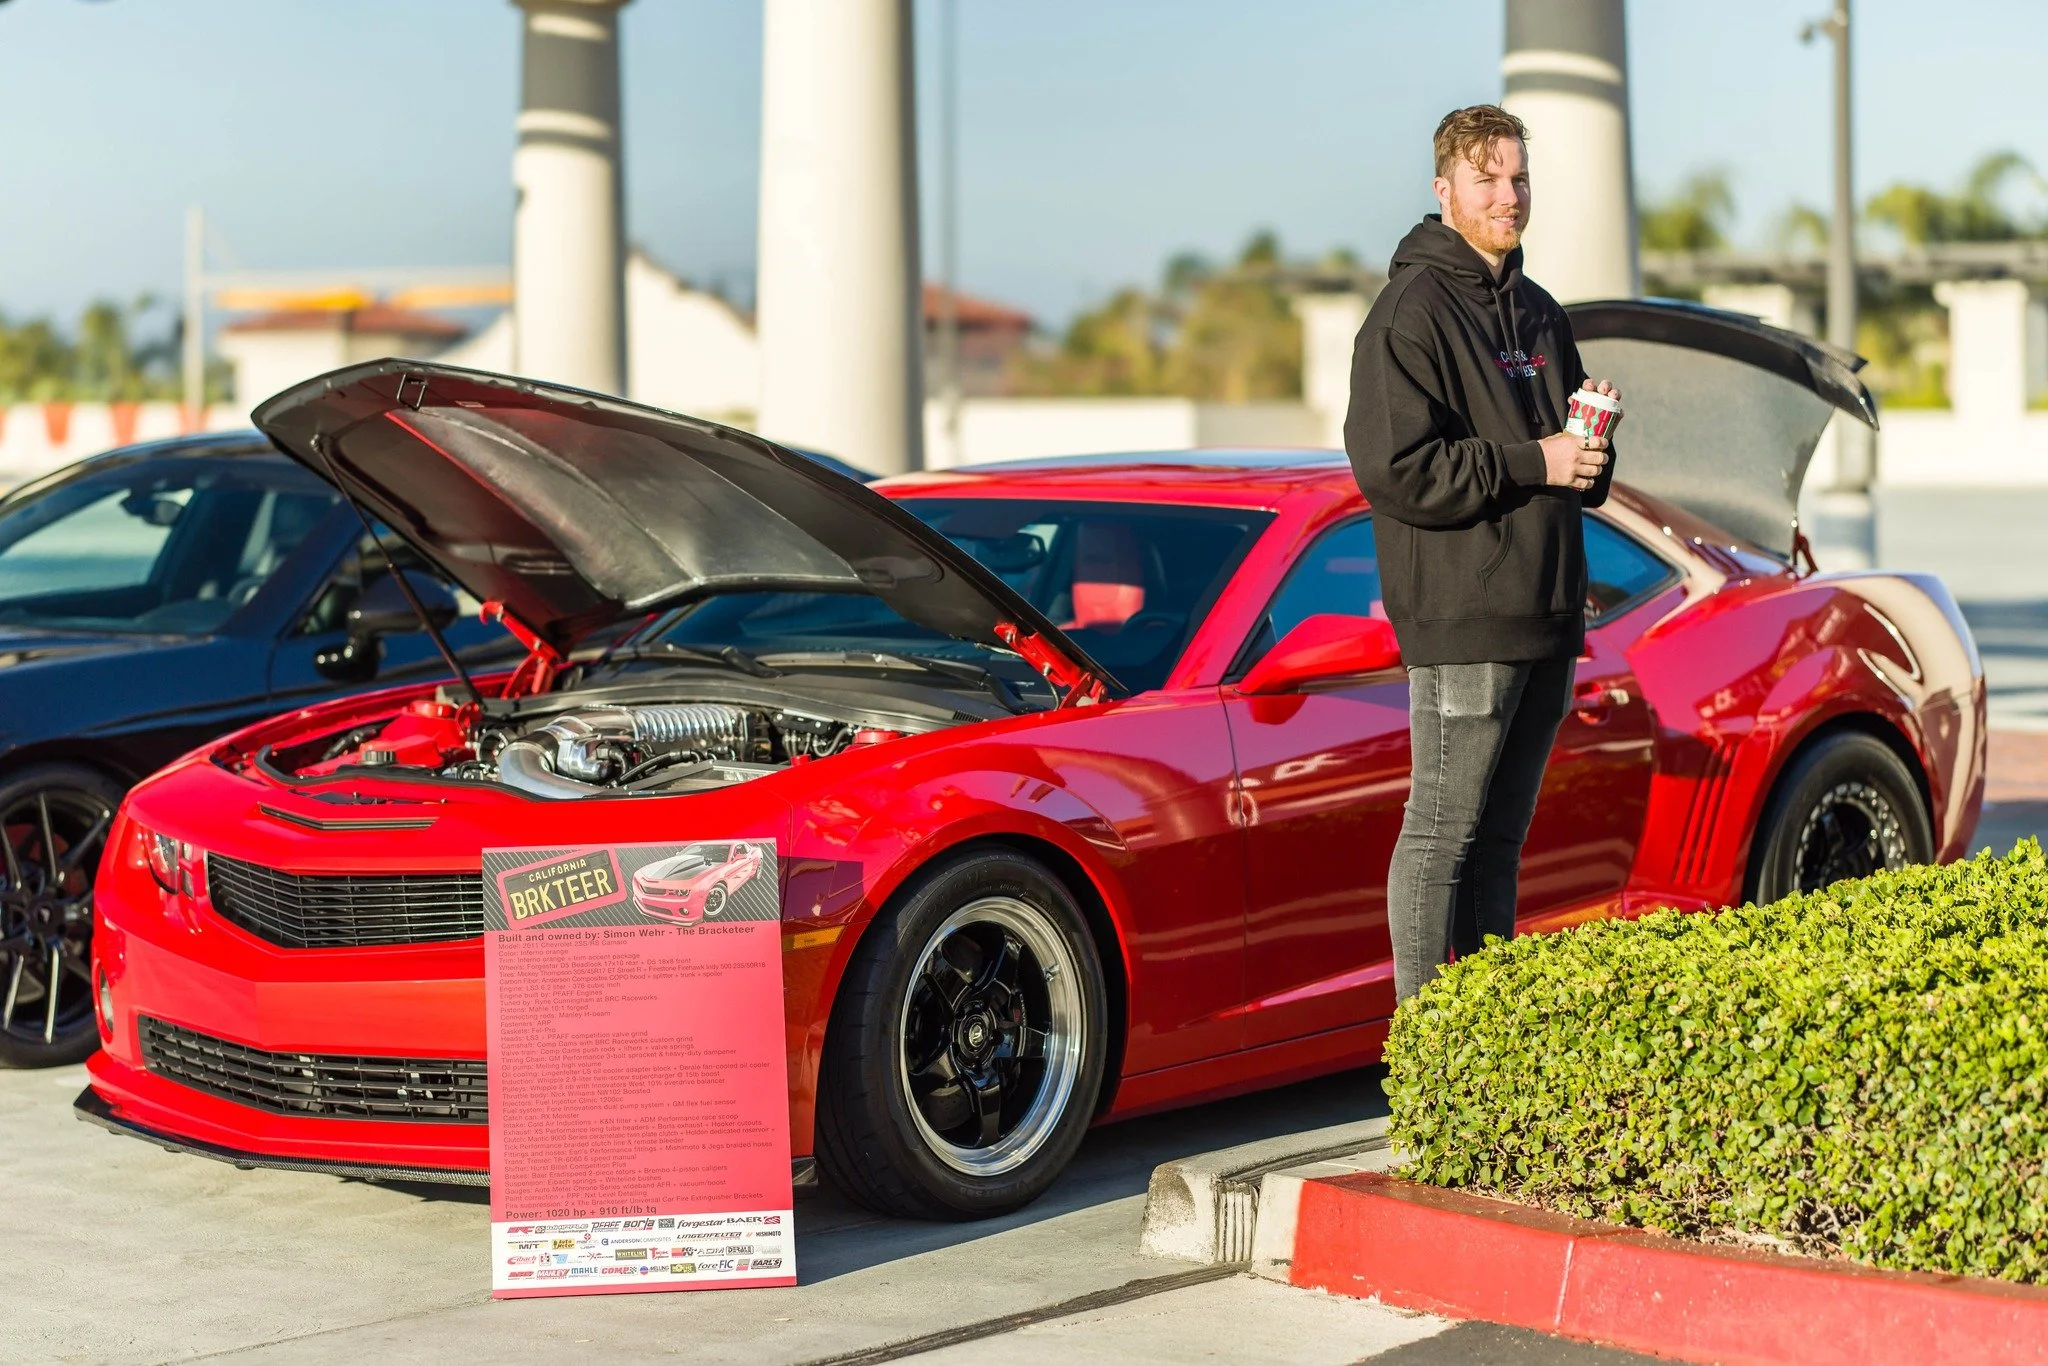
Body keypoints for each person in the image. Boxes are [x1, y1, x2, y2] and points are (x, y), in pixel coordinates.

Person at [1344, 104, 1622, 1003]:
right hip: (1463, 615)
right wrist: (1536, 460)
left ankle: (1486, 1045)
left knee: (1499, 841)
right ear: (1444, 189)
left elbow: (1569, 467)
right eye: (1487, 178)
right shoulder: (1408, 315)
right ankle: (1426, 1053)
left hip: (1547, 614)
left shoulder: (1540, 313)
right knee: (1440, 835)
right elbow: (1396, 470)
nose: (1509, 195)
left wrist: (1591, 448)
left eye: (1519, 177)